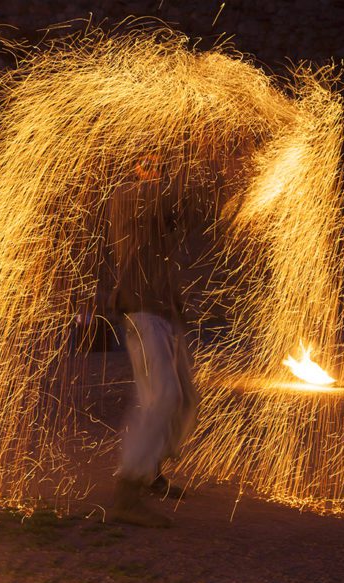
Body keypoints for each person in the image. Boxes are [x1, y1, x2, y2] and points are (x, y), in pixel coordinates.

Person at [106, 154, 199, 528]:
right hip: (141, 309)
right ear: (135, 167)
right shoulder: (128, 196)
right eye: (148, 160)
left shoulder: (162, 208)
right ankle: (127, 493)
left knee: (184, 398)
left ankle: (151, 471)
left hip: (164, 314)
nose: (157, 166)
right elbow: (173, 197)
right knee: (163, 396)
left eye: (163, 160)